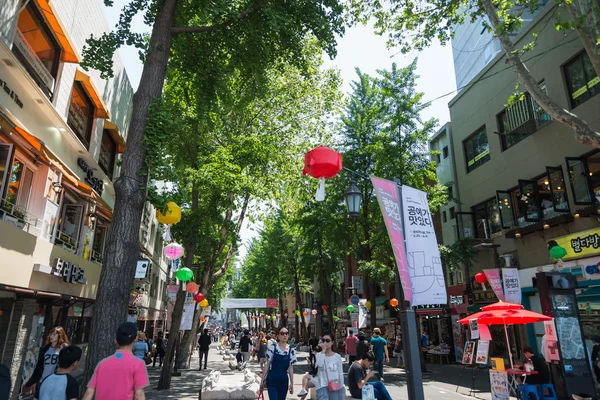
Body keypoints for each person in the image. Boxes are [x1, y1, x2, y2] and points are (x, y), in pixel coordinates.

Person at [82, 322, 149, 400]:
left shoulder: (102, 363)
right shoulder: (138, 364)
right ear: (135, 339)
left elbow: (89, 392)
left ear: (116, 340)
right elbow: (139, 395)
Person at [23, 326, 70, 396]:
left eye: (54, 334)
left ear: (59, 335)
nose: (52, 336)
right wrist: (32, 381)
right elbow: (39, 367)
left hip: (55, 381)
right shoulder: (45, 348)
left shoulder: (63, 348)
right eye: (51, 334)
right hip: (43, 380)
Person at [260, 327, 296, 400]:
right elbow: (267, 365)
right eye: (282, 334)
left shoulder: (291, 350)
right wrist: (262, 380)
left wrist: (292, 384)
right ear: (278, 336)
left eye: (286, 333)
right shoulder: (273, 348)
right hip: (272, 379)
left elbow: (291, 367)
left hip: (283, 380)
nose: (284, 335)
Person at [313, 334, 344, 400]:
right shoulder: (318, 355)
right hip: (322, 386)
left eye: (327, 341)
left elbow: (340, 373)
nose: (325, 343)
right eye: (323, 340)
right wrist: (323, 351)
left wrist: (341, 387)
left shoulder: (337, 357)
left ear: (332, 342)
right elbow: (320, 365)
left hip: (334, 385)